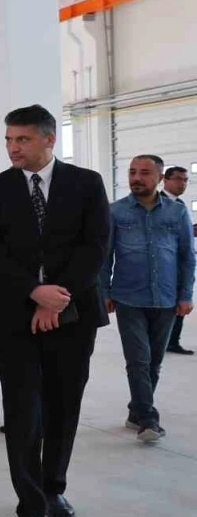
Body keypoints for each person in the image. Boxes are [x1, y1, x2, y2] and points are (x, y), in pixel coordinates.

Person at [0, 104, 110, 517]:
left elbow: (96, 246)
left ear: (49, 139)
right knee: (22, 410)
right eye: (9, 140)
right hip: (15, 315)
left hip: (74, 313)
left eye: (23, 139)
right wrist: (35, 292)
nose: (13, 148)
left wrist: (58, 295)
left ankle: (54, 488)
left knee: (63, 405)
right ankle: (30, 510)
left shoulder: (86, 184)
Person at [100, 155, 194, 443]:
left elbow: (187, 256)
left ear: (159, 178)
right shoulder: (116, 211)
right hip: (129, 297)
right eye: (132, 172)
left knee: (154, 362)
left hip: (166, 298)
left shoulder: (177, 212)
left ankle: (135, 411)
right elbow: (105, 257)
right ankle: (149, 419)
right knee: (138, 361)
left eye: (144, 173)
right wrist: (105, 291)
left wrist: (185, 295)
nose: (136, 178)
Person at [161, 165, 194, 355]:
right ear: (165, 180)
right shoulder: (157, 202)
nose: (183, 184)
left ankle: (173, 341)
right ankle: (162, 341)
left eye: (185, 180)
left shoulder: (180, 204)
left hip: (180, 265)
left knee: (180, 303)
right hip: (164, 266)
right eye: (178, 179)